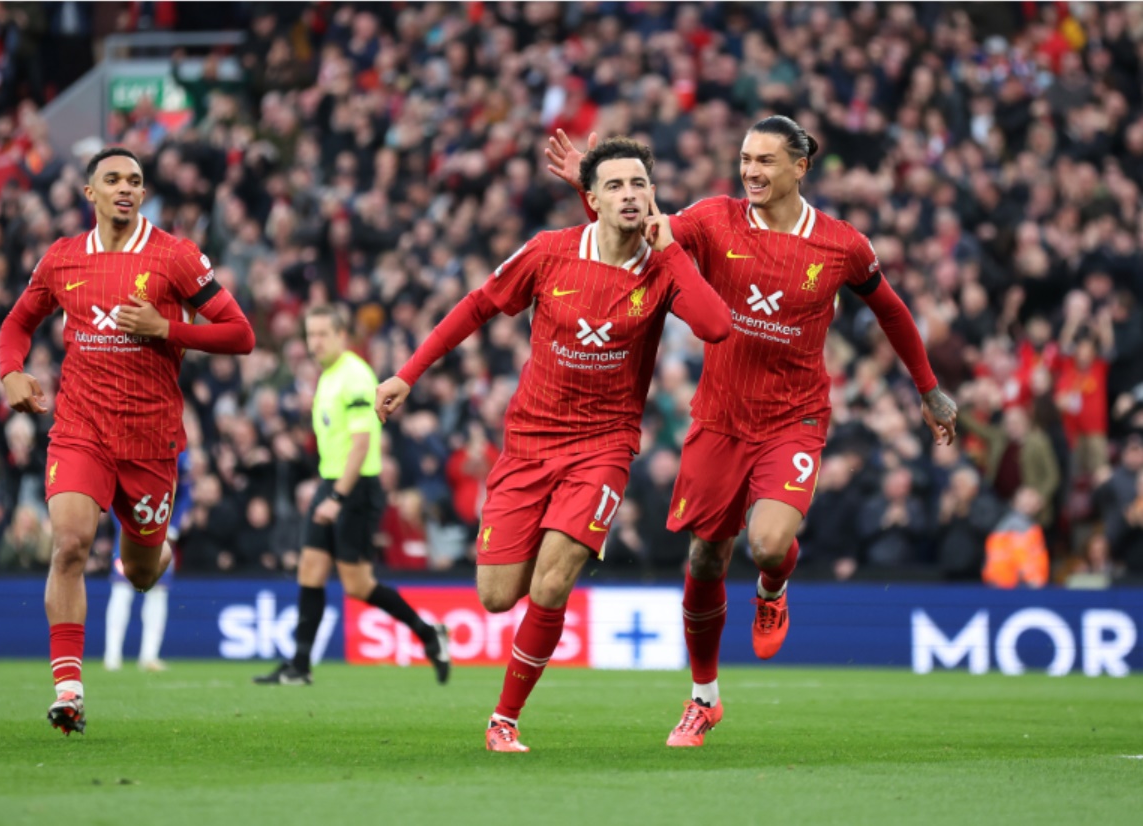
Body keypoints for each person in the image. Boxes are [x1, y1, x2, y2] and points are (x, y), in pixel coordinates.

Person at [546, 119, 958, 747]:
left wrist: (929, 389)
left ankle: (773, 586)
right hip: (719, 418)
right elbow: (641, 229)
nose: (752, 171)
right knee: (706, 556)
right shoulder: (715, 219)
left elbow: (892, 311)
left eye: (766, 160)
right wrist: (590, 181)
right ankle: (703, 699)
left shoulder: (842, 245)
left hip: (794, 418)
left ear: (801, 166)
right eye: (745, 159)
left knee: (767, 544)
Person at [375, 137, 732, 752]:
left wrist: (671, 253)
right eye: (614, 185)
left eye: (639, 184)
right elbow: (477, 306)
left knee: (551, 584)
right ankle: (515, 661)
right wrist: (408, 373)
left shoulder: (661, 268)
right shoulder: (548, 252)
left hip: (604, 447)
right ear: (590, 199)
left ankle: (503, 720)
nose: (629, 194)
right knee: (494, 597)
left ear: (654, 195)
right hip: (529, 443)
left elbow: (716, 326)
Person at [0, 146, 256, 735]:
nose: (124, 188)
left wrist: (167, 327)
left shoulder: (174, 256)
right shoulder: (62, 259)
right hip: (80, 431)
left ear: (143, 193)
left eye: (134, 181)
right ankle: (69, 691)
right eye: (111, 179)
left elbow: (241, 334)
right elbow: (17, 322)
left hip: (150, 441)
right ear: (89, 192)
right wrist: (11, 369)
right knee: (68, 544)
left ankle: (152, 551)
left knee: (141, 573)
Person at [253, 306, 452, 687]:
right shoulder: (328, 377)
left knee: (358, 585)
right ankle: (299, 665)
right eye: (310, 335)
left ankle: (428, 634)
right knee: (309, 569)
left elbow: (361, 444)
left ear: (342, 336)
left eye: (323, 334)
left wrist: (338, 497)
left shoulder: (356, 376)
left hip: (355, 487)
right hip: (332, 483)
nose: (315, 343)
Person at [103, 451, 191, 672]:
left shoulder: (175, 448)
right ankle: (112, 656)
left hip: (161, 529)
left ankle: (149, 655)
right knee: (121, 590)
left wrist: (173, 527)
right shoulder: (123, 441)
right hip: (129, 528)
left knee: (158, 591)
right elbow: (113, 489)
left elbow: (185, 492)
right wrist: (123, 524)